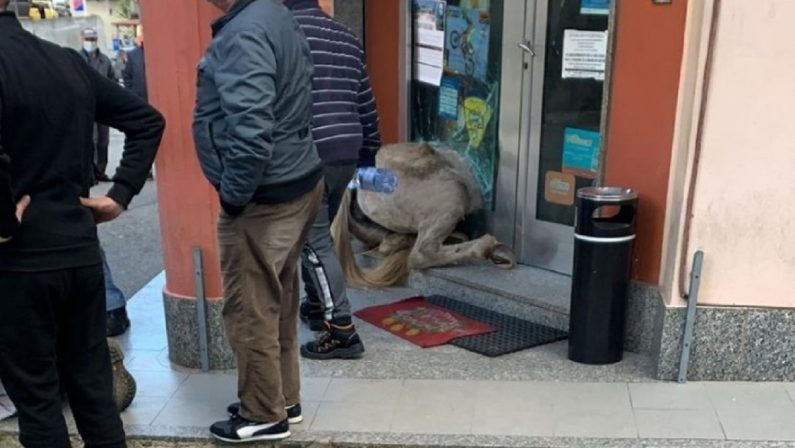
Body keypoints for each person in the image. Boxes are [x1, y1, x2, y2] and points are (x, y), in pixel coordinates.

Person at [0, 3, 165, 447]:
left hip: (18, 260)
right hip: (79, 251)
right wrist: (120, 195)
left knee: (37, 401)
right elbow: (146, 120)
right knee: (93, 392)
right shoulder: (65, 61)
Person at [193, 0, 322, 443]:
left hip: (263, 195)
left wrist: (233, 198)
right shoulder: (274, 12)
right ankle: (281, 398)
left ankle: (263, 413)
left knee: (250, 308)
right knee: (279, 300)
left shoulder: (245, 30)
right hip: (296, 179)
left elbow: (251, 129)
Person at [285, 0, 382, 361]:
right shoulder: (344, 35)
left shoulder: (283, 32)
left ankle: (341, 328)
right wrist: (370, 151)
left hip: (308, 150)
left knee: (313, 239)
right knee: (319, 233)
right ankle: (315, 306)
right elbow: (365, 99)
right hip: (345, 149)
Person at [80, 27, 117, 183]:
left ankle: (100, 171)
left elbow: (113, 80)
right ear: (82, 39)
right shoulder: (76, 58)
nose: (91, 42)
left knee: (103, 141)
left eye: (93, 39)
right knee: (90, 140)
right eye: (88, 39)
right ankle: (90, 173)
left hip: (103, 106)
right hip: (85, 106)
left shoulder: (105, 60)